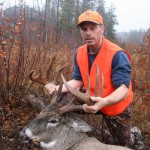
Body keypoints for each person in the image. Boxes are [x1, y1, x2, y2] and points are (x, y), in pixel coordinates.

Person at [44, 10, 142, 149]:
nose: (88, 32)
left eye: (93, 28)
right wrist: (56, 88)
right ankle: (68, 134)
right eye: (84, 29)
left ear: (102, 28)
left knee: (125, 144)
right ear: (81, 32)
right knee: (59, 100)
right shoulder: (80, 52)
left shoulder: (117, 54)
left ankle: (133, 135)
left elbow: (123, 89)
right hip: (90, 98)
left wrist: (105, 101)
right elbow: (78, 80)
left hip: (115, 105)